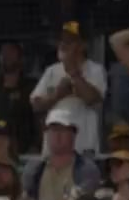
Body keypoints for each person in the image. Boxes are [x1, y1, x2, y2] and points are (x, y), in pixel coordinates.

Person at [29, 23, 106, 155]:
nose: (63, 45)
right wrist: (57, 95)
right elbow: (36, 104)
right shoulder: (52, 70)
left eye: (70, 41)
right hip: (53, 147)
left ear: (82, 45)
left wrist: (73, 71)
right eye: (62, 40)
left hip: (83, 144)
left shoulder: (96, 70)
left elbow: (92, 99)